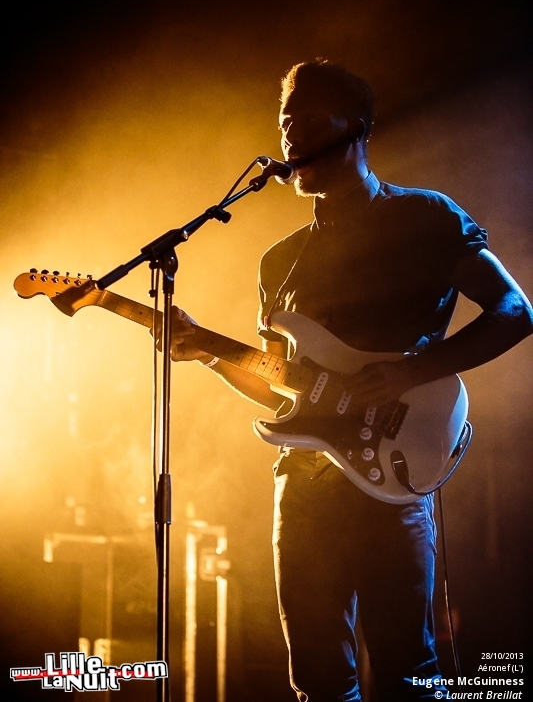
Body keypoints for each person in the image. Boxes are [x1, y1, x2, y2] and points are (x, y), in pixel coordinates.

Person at [167, 60, 533, 701]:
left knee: (407, 674)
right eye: (284, 122)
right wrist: (206, 350)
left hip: (393, 475)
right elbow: (280, 385)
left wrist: (410, 373)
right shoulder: (280, 261)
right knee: (316, 676)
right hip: (303, 487)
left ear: (356, 127)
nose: (290, 136)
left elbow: (514, 311)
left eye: (307, 120)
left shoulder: (423, 217)